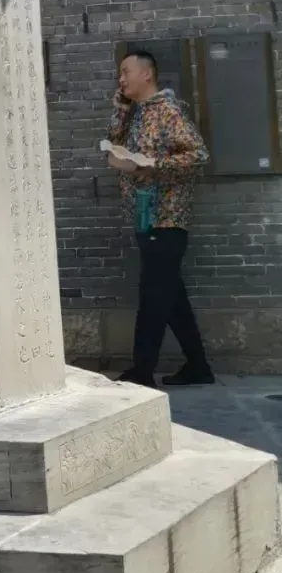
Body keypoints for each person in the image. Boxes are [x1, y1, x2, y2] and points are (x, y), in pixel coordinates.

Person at [107, 50, 213, 388]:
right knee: (171, 298)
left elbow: (199, 155)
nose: (121, 79)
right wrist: (121, 110)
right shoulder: (137, 113)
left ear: (146, 74)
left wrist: (152, 165)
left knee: (153, 295)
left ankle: (142, 371)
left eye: (126, 72)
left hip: (166, 219)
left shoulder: (168, 111)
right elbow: (113, 144)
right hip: (146, 218)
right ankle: (199, 367)